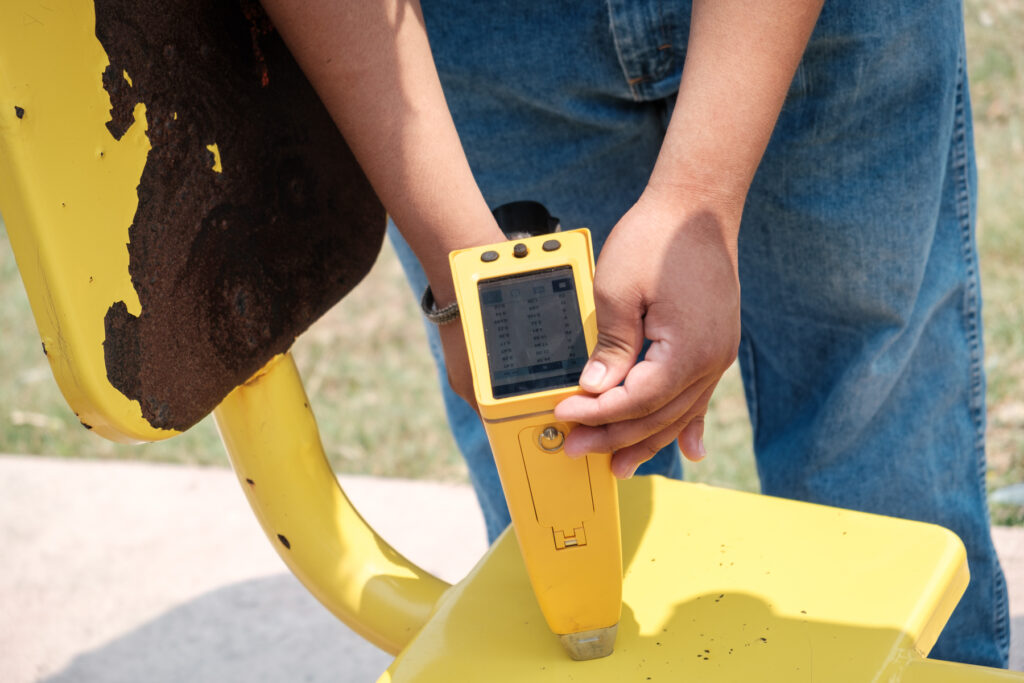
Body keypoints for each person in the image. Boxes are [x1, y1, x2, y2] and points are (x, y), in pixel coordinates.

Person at [260, 0, 1009, 668]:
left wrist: (701, 194)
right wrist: (471, 277)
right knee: (558, 465)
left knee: (879, 466)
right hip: (462, 45)